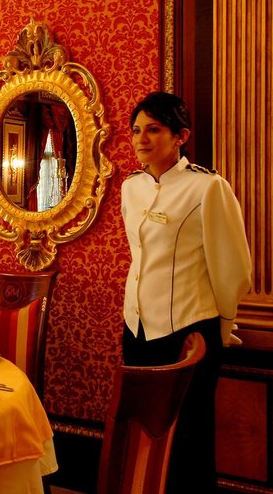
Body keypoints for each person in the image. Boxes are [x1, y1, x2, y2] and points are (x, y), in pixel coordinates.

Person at [121, 91, 252, 493]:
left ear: (180, 136)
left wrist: (225, 325)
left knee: (188, 440)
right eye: (136, 130)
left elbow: (232, 267)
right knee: (145, 434)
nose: (141, 139)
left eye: (154, 129)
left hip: (188, 332)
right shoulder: (131, 188)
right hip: (137, 329)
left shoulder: (207, 187)